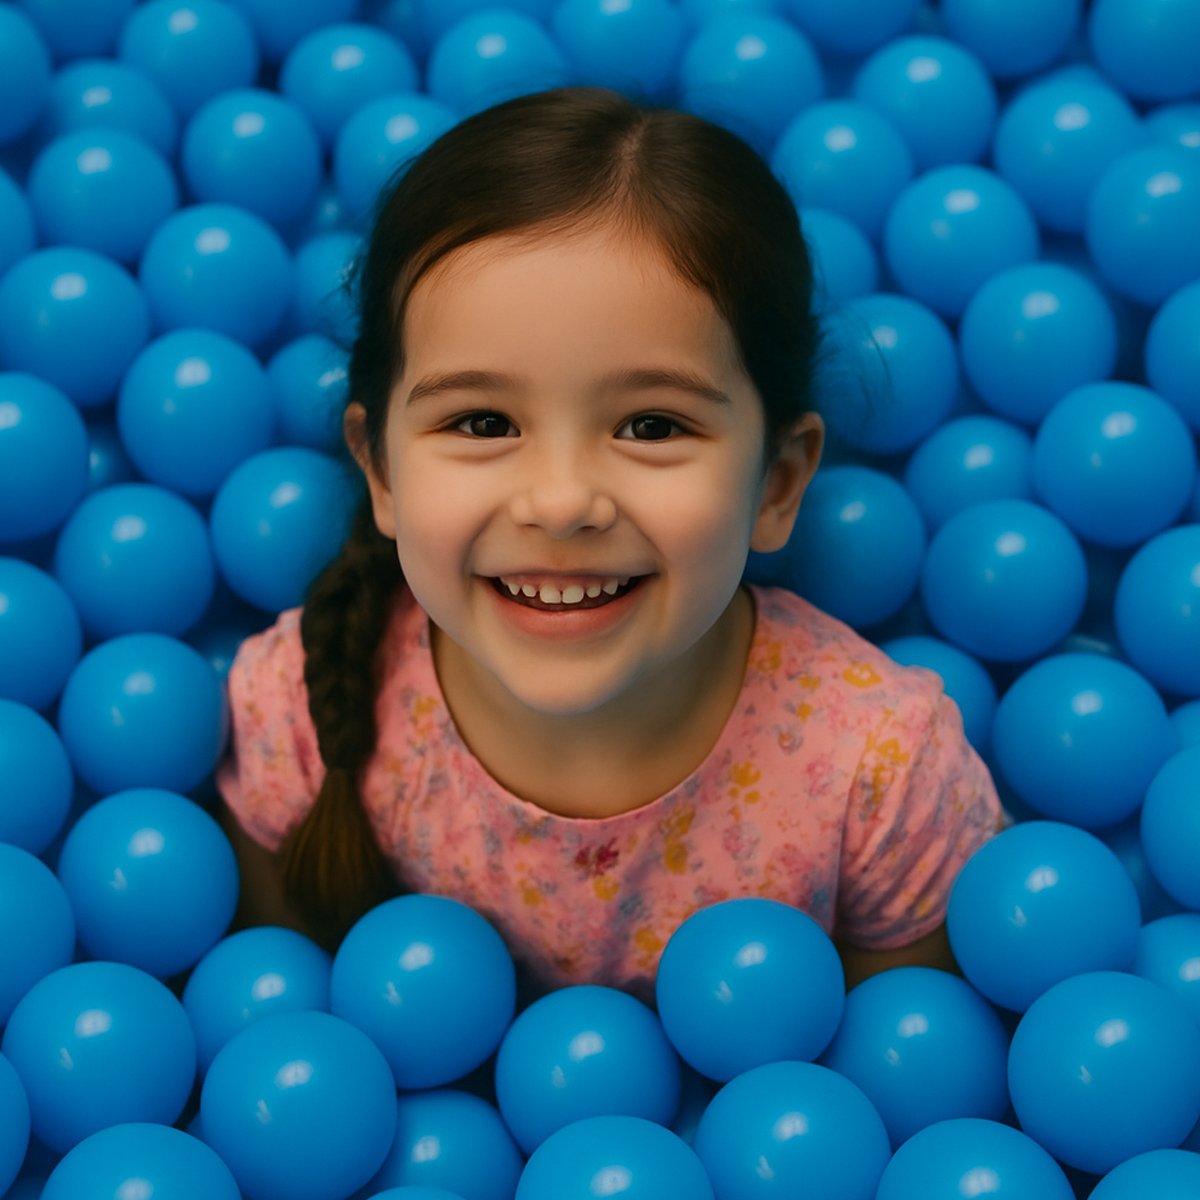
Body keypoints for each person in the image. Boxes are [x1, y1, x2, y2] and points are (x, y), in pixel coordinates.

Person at [216, 85, 1004, 1001]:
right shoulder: (302, 717)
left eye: (652, 426)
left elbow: (911, 1067)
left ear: (778, 483)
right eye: (481, 421)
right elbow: (270, 1011)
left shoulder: (881, 779)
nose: (562, 502)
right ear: (382, 470)